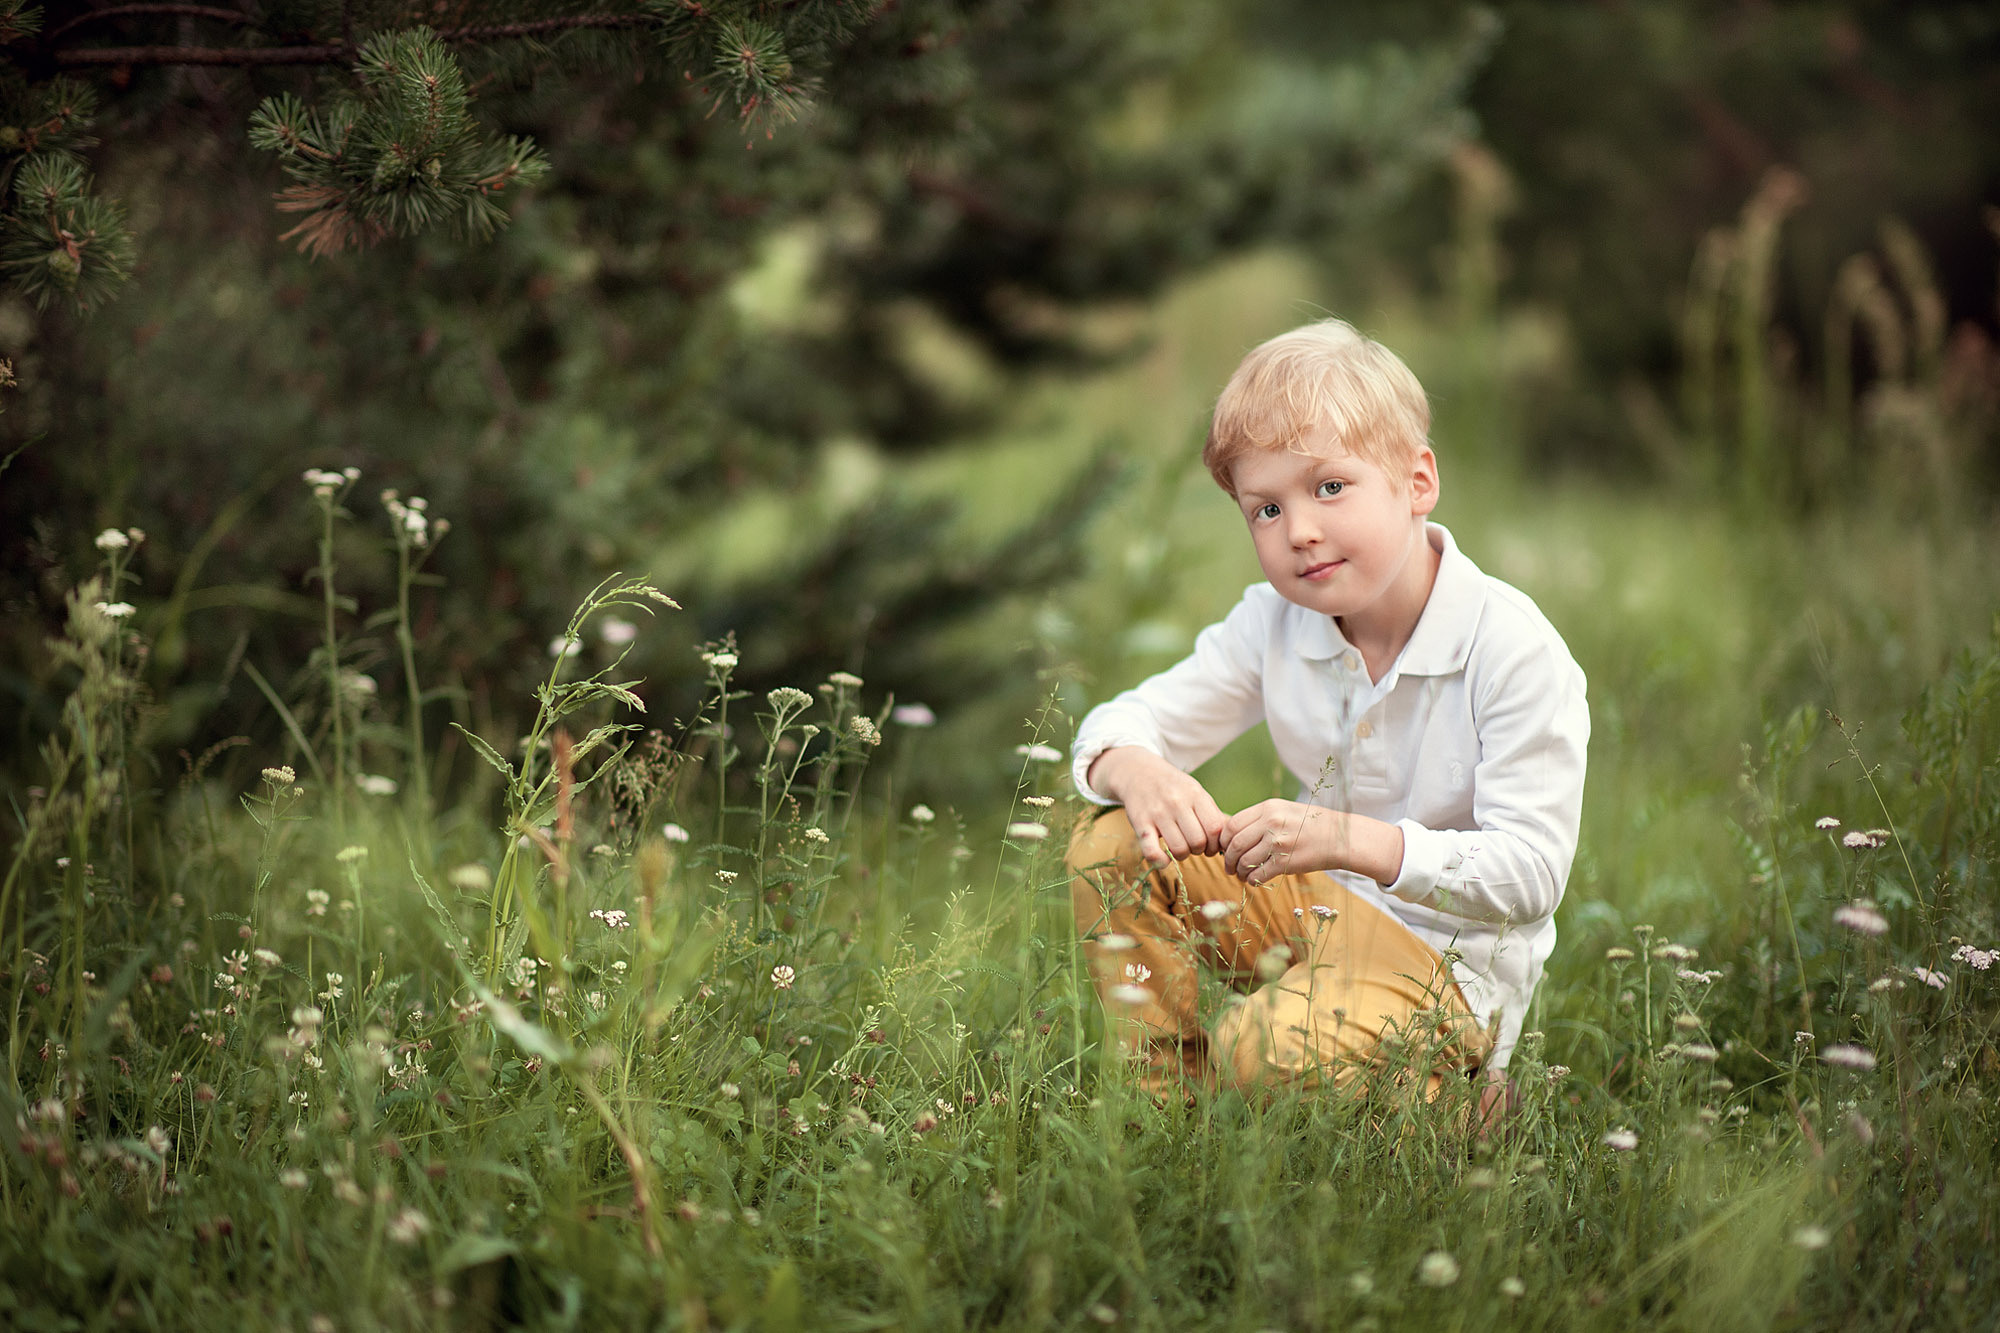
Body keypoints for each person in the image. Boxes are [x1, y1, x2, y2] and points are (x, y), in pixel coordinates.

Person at [1067, 318, 1588, 1111]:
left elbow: (1533, 873)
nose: (1300, 530)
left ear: (1417, 483)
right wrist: (1137, 767)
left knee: (1262, 1047)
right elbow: (1121, 723)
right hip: (1309, 913)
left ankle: (1462, 1104)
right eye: (1265, 510)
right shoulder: (1274, 621)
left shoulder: (1511, 649)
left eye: (1330, 487)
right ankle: (1160, 1110)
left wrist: (1347, 840)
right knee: (1111, 838)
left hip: (1444, 964)